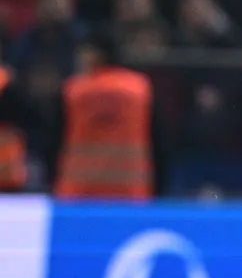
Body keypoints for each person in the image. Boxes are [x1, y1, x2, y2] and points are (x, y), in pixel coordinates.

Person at [52, 28, 168, 199]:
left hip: (78, 194)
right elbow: (160, 141)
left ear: (96, 55)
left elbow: (55, 141)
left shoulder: (74, 91)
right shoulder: (141, 89)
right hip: (130, 193)